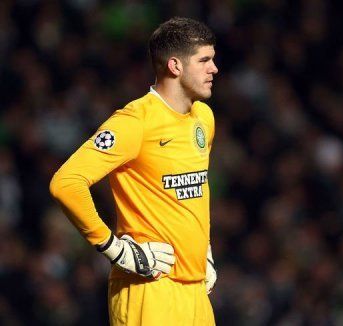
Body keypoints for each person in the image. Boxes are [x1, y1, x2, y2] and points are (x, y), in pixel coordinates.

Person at [50, 17, 219, 325]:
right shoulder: (135, 122)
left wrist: (203, 250)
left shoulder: (203, 118)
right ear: (175, 66)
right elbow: (66, 183)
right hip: (148, 289)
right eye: (204, 60)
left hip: (195, 289)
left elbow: (193, 192)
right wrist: (115, 250)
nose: (214, 69)